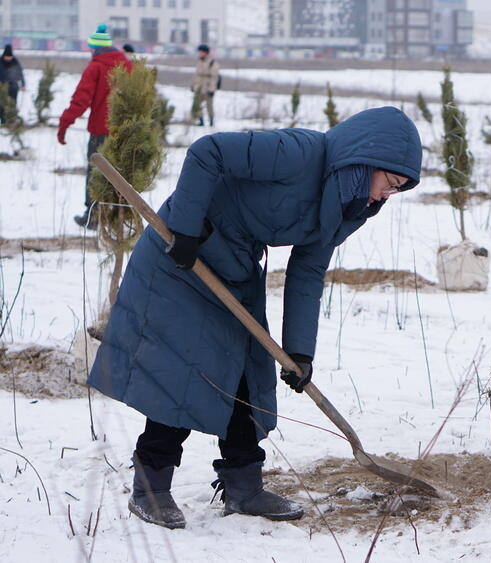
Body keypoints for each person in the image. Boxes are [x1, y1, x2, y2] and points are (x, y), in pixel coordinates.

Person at [87, 107, 422, 530]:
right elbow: (208, 153)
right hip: (182, 259)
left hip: (234, 269)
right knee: (183, 374)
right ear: (366, 160)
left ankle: (243, 487)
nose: (385, 197)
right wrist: (187, 230)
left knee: (247, 373)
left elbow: (308, 270)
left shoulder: (348, 206)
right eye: (389, 184)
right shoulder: (299, 153)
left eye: (396, 192)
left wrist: (299, 350)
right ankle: (151, 488)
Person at [56, 24, 133, 229]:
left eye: (91, 48)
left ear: (96, 48)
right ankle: (119, 215)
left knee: (96, 172)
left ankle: (94, 216)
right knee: (120, 173)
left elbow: (81, 100)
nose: (90, 51)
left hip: (101, 131)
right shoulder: (127, 65)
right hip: (125, 130)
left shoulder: (95, 67)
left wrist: (65, 124)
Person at [192, 44, 220, 126]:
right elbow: (196, 75)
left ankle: (211, 121)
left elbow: (214, 78)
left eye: (201, 52)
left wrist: (212, 89)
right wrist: (193, 85)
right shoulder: (199, 62)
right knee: (197, 104)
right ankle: (201, 121)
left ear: (206, 53)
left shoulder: (212, 63)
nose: (200, 54)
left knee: (209, 106)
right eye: (199, 52)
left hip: (208, 88)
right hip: (199, 87)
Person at [0, 44, 26, 125]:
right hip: (2, 86)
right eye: (7, 57)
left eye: (9, 57)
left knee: (13, 103)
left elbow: (20, 73)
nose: (8, 59)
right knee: (2, 104)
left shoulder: (15, 62)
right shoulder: (0, 62)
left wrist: (23, 84)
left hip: (13, 86)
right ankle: (3, 120)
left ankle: (11, 120)